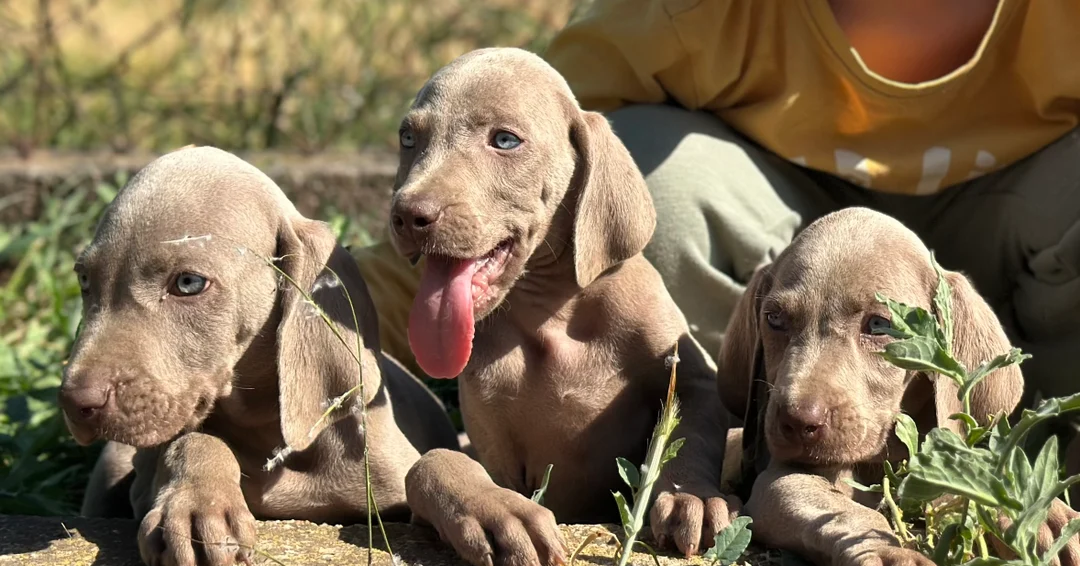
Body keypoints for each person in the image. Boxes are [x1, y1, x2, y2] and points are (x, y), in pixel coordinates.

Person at [358, 0, 1080, 415]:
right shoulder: (682, 13)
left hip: (1033, 248)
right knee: (645, 177)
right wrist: (339, 311)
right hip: (785, 264)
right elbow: (509, 180)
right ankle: (727, 430)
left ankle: (1043, 443)